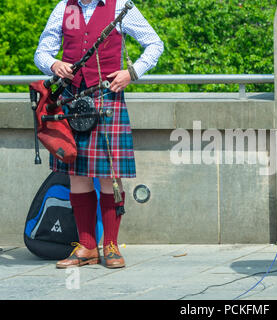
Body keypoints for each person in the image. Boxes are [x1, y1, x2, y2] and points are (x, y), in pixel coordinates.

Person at [34, 0, 164, 268]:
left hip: (107, 98)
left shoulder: (120, 6)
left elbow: (155, 44)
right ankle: (87, 247)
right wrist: (54, 64)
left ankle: (111, 246)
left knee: (110, 176)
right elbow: (41, 52)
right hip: (71, 101)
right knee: (77, 174)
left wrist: (132, 72)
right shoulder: (64, 8)